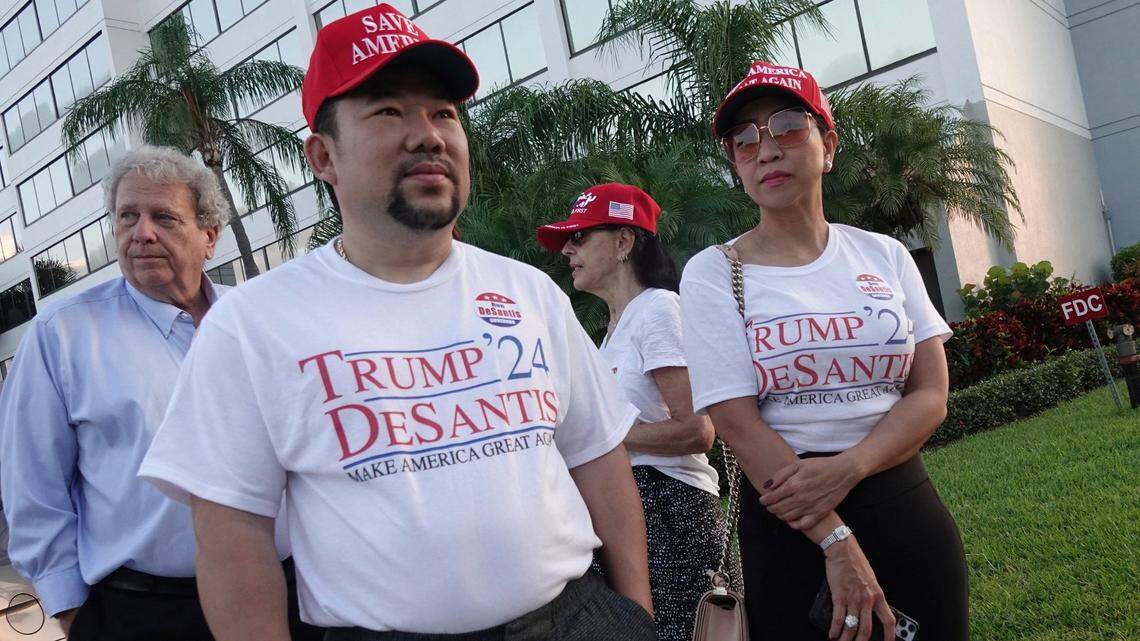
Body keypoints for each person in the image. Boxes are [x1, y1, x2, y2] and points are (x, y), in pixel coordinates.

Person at [138, 5, 655, 641]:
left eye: (443, 113)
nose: (429, 135)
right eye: (388, 111)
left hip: (577, 620)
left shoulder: (529, 293)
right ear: (323, 156)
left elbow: (597, 457)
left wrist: (637, 616)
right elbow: (231, 536)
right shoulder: (251, 325)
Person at [679, 61, 969, 641]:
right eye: (744, 140)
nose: (765, 150)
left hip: (904, 504)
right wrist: (836, 539)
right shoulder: (714, 271)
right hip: (791, 518)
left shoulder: (883, 255)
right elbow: (735, 420)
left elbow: (931, 393)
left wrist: (850, 467)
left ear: (827, 144)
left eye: (787, 126)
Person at [0, 146, 320, 641]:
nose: (141, 232)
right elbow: (32, 489)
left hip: (283, 597)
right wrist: (73, 614)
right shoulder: (62, 335)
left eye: (164, 217)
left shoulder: (259, 322)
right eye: (127, 216)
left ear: (210, 236)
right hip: (142, 614)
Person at [536, 183, 727, 641]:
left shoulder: (658, 309)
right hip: (629, 508)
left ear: (624, 242)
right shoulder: (611, 330)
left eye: (580, 237)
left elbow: (698, 431)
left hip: (670, 508)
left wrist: (602, 437)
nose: (568, 250)